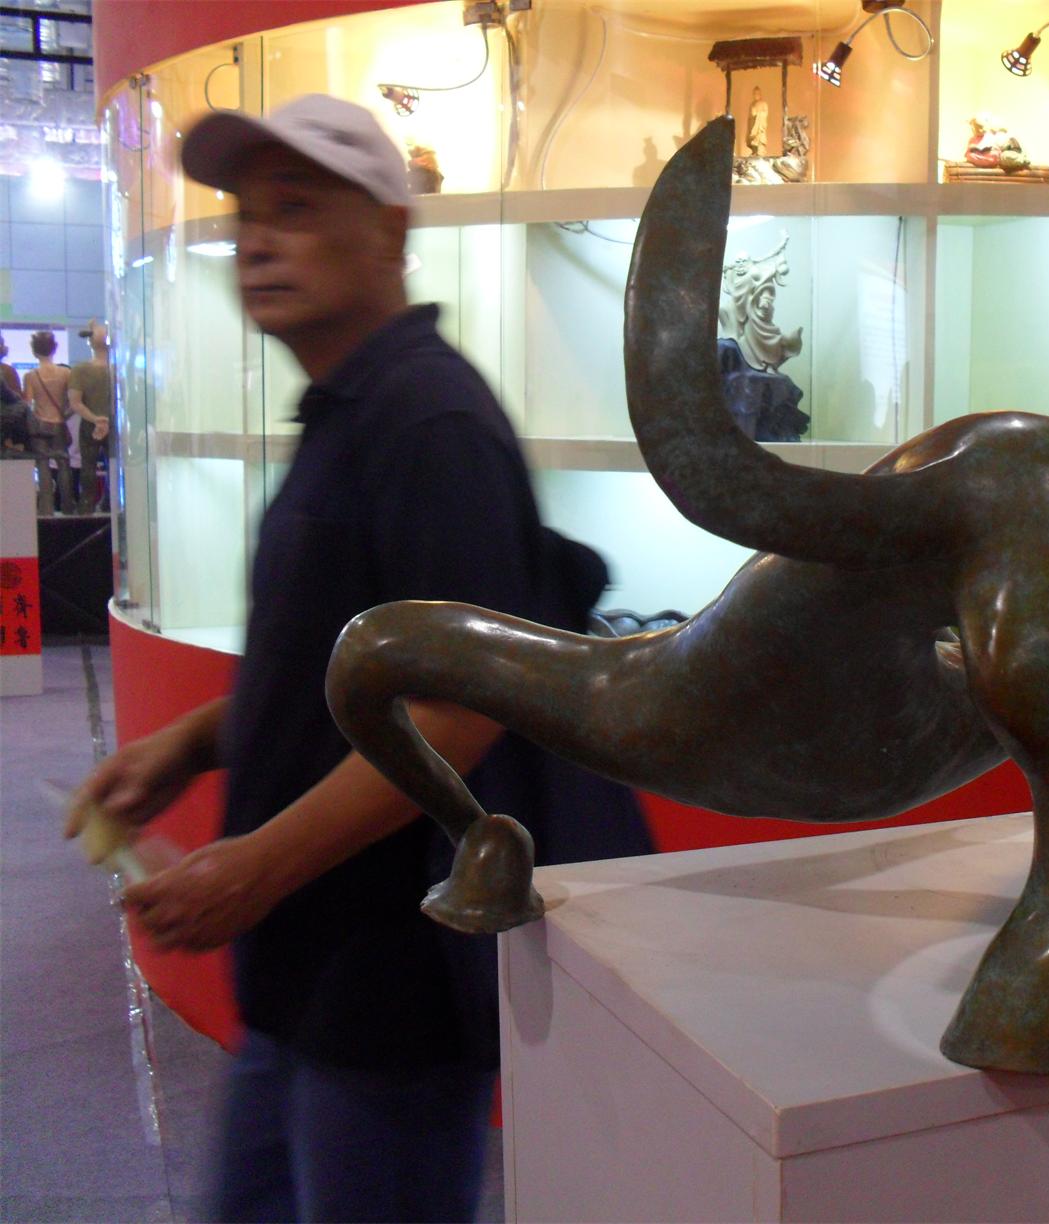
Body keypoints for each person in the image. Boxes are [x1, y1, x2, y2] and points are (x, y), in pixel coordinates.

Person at [65, 94, 650, 1223]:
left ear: (388, 230)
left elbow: (458, 714)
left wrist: (252, 868)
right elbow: (336, 675)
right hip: (308, 976)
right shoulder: (348, 412)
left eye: (294, 209)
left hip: (388, 990)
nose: (257, 242)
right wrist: (189, 744)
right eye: (247, 216)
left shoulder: (429, 425)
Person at [66, 321, 113, 514]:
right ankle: (110, 502)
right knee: (114, 465)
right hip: (113, 424)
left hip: (89, 424)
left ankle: (87, 504)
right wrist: (106, 420)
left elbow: (75, 402)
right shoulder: (117, 369)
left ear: (89, 342)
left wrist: (95, 419)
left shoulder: (80, 370)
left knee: (88, 466)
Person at [23, 330, 71, 514]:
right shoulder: (65, 373)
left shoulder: (31, 376)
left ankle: (46, 508)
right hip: (59, 422)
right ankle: (67, 506)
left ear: (34, 351)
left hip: (39, 425)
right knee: (63, 465)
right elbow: (72, 401)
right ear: (55, 348)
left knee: (43, 466)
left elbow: (28, 403)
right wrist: (65, 415)